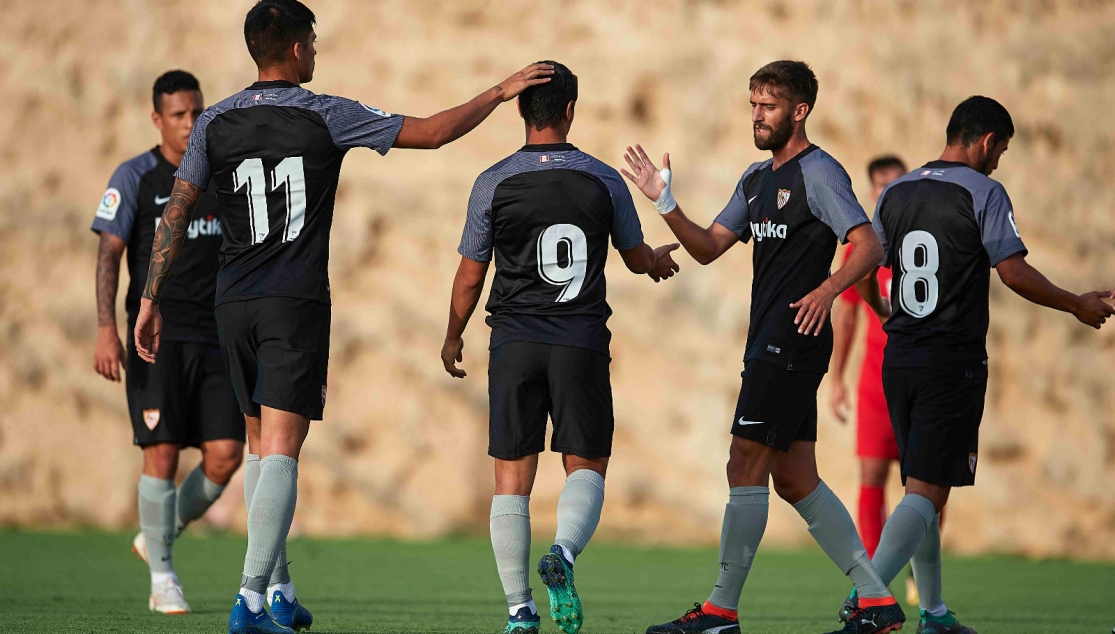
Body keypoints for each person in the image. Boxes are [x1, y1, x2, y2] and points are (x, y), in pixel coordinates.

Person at [130, 1, 555, 632]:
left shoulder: (214, 121)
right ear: (298, 49)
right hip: (291, 302)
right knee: (281, 450)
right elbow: (434, 132)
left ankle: (279, 589)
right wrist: (498, 92)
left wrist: (148, 299)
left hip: (231, 303)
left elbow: (176, 211)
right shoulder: (324, 113)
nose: (317, 51)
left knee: (257, 445)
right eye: (314, 41)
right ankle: (248, 599)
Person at [621, 60, 903, 634]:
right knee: (796, 478)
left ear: (799, 112)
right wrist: (664, 200)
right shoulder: (754, 180)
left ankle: (721, 611)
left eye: (768, 106)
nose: (757, 115)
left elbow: (869, 245)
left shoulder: (819, 173)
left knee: (742, 462)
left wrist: (828, 291)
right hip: (770, 342)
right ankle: (877, 601)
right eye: (752, 104)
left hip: (792, 341)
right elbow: (706, 247)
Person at [842, 95, 1114, 634]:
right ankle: (867, 599)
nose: (998, 162)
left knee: (920, 487)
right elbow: (1012, 272)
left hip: (899, 358)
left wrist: (885, 313)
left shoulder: (896, 191)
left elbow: (865, 261)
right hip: (951, 361)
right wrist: (1076, 303)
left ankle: (935, 614)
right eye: (1002, 151)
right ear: (987, 141)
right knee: (927, 492)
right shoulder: (984, 191)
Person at [441, 61, 680, 634]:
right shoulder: (602, 179)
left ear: (522, 110)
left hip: (514, 343)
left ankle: (520, 612)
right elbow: (635, 255)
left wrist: (453, 334)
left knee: (511, 479)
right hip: (579, 341)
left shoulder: (492, 180)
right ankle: (564, 555)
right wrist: (655, 262)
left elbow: (471, 275)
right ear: (571, 110)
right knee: (586, 464)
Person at [91, 70, 244, 616]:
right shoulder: (135, 176)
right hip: (157, 338)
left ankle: (159, 533)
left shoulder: (222, 177)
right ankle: (162, 578)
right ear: (157, 119)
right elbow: (109, 253)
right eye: (179, 114)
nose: (190, 123)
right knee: (160, 452)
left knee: (226, 456)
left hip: (218, 338)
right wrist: (108, 328)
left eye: (197, 112)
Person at [832, 155, 933, 605]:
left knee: (925, 482)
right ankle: (874, 581)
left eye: (895, 183)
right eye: (880, 186)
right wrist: (836, 378)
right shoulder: (860, 246)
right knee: (871, 474)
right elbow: (848, 316)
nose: (886, 192)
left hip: (923, 374)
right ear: (872, 192)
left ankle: (919, 578)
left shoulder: (926, 238)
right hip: (875, 379)